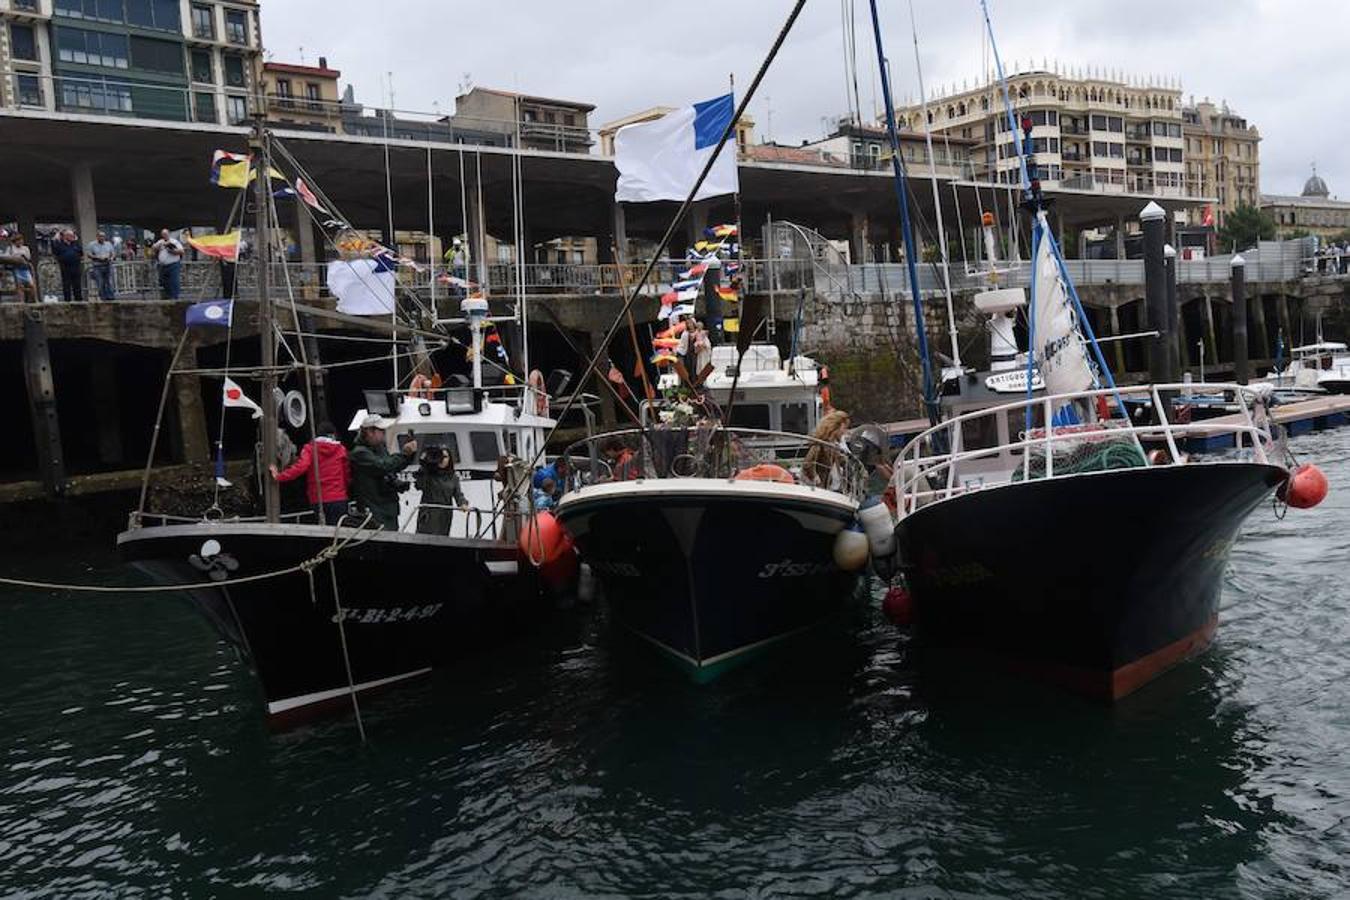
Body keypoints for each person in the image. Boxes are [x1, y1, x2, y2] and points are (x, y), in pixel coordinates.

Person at [269, 421, 351, 525]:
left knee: (323, 531)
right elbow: (346, 475)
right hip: (339, 498)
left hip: (318, 499)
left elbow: (300, 467)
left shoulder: (310, 449)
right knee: (338, 531)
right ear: (333, 435)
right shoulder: (341, 450)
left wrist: (280, 476)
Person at [347, 416, 417, 530]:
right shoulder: (359, 453)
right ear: (370, 432)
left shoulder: (380, 449)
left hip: (389, 507)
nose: (384, 433)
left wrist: (410, 456)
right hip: (374, 509)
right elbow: (383, 466)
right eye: (381, 431)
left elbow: (391, 467)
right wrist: (404, 454)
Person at [414, 445, 468, 536]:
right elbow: (419, 485)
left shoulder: (453, 477)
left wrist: (463, 503)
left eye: (446, 457)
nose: (443, 459)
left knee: (443, 539)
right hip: (428, 514)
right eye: (440, 456)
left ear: (450, 459)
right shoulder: (428, 474)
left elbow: (458, 494)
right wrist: (424, 465)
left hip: (445, 514)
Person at [802, 409, 851, 488]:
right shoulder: (820, 443)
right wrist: (815, 478)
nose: (844, 432)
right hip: (817, 486)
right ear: (835, 427)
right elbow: (808, 463)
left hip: (826, 484)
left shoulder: (832, 444)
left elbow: (839, 458)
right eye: (844, 428)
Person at [0, 232, 35, 303]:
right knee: (20, 286)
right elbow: (6, 257)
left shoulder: (25, 248)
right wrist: (15, 258)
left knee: (31, 285)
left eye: (21, 240)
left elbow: (28, 257)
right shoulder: (10, 248)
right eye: (18, 240)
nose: (20, 242)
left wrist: (21, 257)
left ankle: (32, 300)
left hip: (25, 268)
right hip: (16, 268)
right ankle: (21, 302)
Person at [52, 229, 84, 302]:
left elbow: (81, 253)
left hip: (76, 267)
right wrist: (57, 238)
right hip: (65, 268)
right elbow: (55, 250)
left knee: (77, 285)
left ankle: (79, 301)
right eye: (70, 235)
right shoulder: (59, 245)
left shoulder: (75, 244)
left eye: (73, 235)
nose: (72, 237)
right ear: (65, 236)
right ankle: (67, 301)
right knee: (67, 285)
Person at [152, 229, 183, 299]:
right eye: (163, 234)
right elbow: (153, 247)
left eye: (166, 234)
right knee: (163, 281)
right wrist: (156, 247)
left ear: (169, 234)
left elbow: (181, 251)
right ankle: (167, 295)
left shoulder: (174, 241)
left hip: (173, 264)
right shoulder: (160, 242)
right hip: (163, 266)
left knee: (174, 281)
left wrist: (173, 251)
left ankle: (175, 297)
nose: (164, 236)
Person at [86, 230, 116, 301]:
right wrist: (97, 257)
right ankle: (103, 298)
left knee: (109, 282)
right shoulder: (91, 244)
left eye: (103, 236)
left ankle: (111, 297)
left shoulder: (108, 244)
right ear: (97, 237)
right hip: (97, 266)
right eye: (100, 236)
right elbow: (88, 254)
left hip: (108, 265)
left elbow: (113, 253)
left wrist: (111, 258)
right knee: (100, 282)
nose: (102, 238)